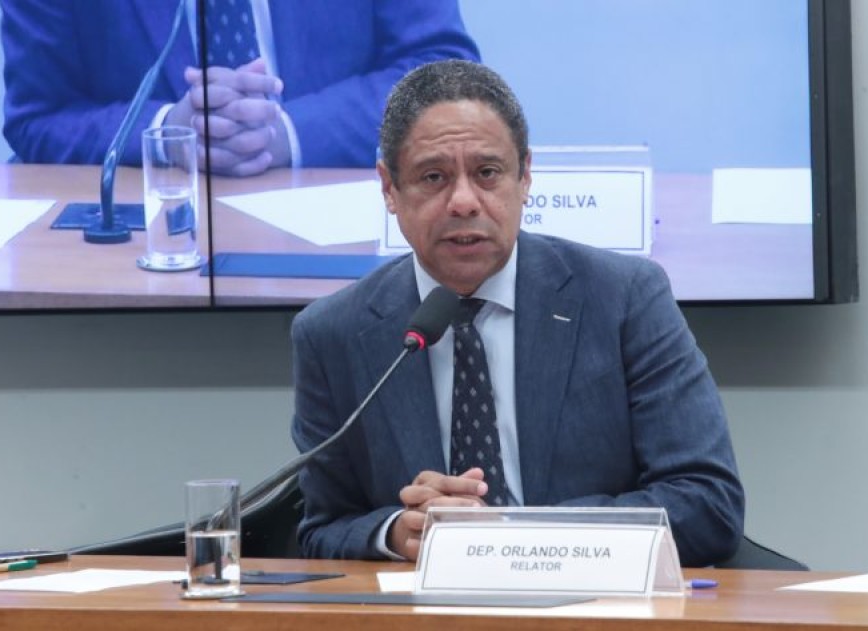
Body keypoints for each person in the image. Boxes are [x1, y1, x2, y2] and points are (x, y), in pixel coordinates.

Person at [290, 60, 744, 567]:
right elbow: (322, 529)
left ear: (525, 176)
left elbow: (707, 503)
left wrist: (510, 536)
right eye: (433, 177)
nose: (464, 202)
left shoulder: (624, 298)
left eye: (487, 173)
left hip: (593, 604)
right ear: (388, 189)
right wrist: (398, 533)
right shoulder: (332, 333)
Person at [0, 0, 479, 175]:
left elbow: (440, 70)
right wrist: (168, 131)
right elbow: (38, 116)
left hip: (344, 233)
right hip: (142, 251)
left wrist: (286, 133)